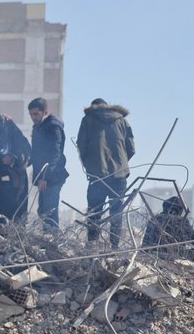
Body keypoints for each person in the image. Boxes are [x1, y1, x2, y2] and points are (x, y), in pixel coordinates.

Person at [77, 98, 135, 247]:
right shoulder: (122, 121)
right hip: (119, 175)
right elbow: (131, 148)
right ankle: (114, 247)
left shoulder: (88, 120)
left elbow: (81, 146)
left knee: (95, 211)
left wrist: (90, 165)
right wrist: (120, 164)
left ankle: (92, 245)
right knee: (117, 211)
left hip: (97, 175)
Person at [27, 98, 69, 232]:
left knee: (50, 212)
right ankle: (47, 240)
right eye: (31, 114)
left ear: (45, 112)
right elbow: (37, 152)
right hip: (43, 177)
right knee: (43, 211)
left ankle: (52, 243)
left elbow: (55, 153)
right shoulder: (38, 127)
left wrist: (46, 177)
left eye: (36, 114)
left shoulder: (53, 126)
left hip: (52, 177)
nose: (33, 117)